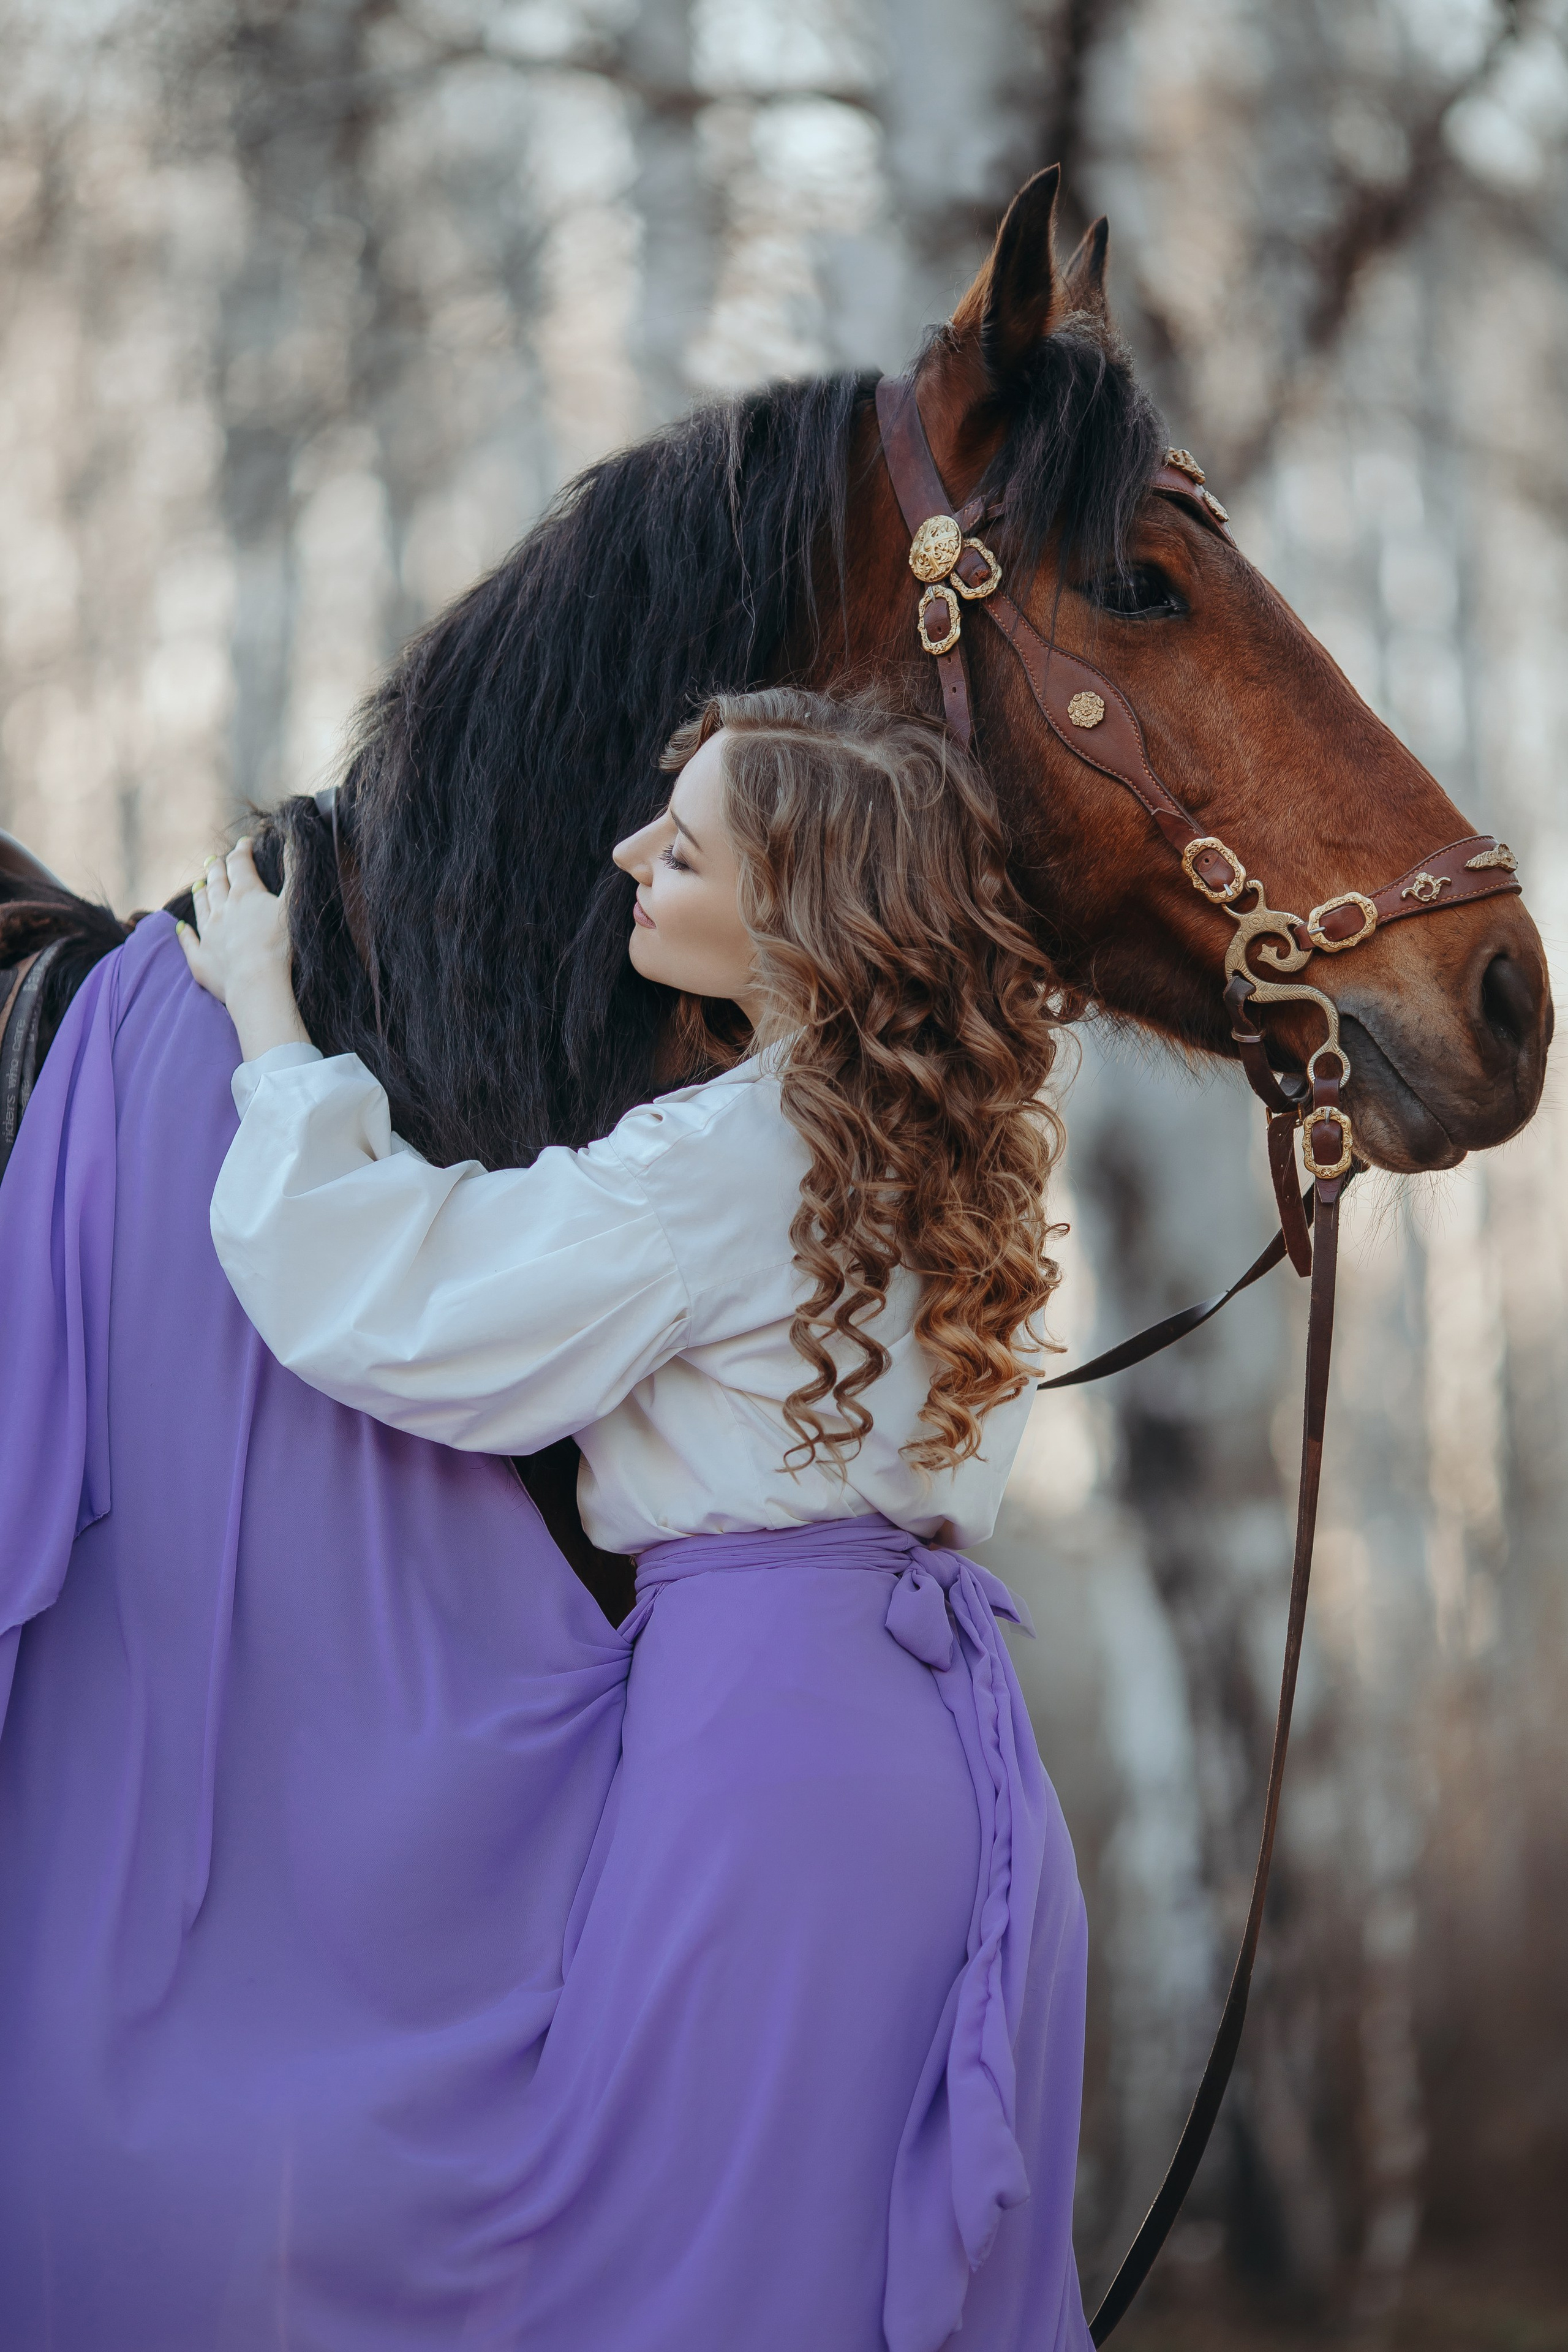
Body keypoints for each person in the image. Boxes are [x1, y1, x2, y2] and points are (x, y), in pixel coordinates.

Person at [177, 684, 1095, 2352]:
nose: (627, 859)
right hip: (958, 1769)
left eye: (680, 849)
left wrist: (267, 1024)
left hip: (769, 1769)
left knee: (679, 2259)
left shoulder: (724, 1161)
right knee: (814, 2266)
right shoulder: (960, 1164)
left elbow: (412, 1293)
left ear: (798, 917)